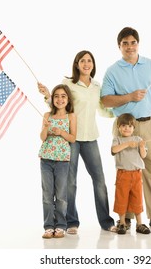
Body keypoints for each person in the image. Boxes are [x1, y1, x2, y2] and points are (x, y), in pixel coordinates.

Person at [101, 27, 151, 231]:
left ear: (138, 43)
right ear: (119, 46)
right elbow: (106, 100)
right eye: (125, 43)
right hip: (125, 127)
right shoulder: (112, 71)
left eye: (133, 42)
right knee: (126, 171)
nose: (129, 46)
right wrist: (129, 97)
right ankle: (124, 218)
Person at [38, 50, 117, 233]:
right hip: (71, 139)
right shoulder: (68, 84)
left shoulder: (97, 86)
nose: (86, 64)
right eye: (83, 61)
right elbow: (58, 104)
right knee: (70, 182)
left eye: (89, 61)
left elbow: (102, 109)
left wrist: (118, 114)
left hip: (91, 138)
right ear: (77, 64)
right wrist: (47, 95)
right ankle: (72, 222)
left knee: (99, 180)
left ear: (93, 65)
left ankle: (106, 222)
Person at [38, 84, 77, 239]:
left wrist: (61, 132)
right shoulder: (47, 115)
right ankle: (48, 226)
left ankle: (60, 225)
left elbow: (73, 138)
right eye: (56, 96)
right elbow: (42, 138)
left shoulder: (71, 116)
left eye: (63, 96)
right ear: (52, 99)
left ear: (68, 99)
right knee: (47, 194)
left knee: (60, 195)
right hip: (46, 158)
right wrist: (46, 128)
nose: (59, 99)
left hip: (62, 160)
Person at [111, 113, 151, 235]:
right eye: (123, 125)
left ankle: (139, 224)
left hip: (136, 175)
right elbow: (114, 150)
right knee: (121, 199)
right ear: (118, 127)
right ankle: (122, 223)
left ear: (133, 128)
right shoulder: (117, 139)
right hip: (123, 175)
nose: (126, 128)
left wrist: (142, 147)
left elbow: (143, 155)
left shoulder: (138, 139)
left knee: (137, 199)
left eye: (129, 126)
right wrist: (128, 144)